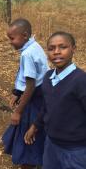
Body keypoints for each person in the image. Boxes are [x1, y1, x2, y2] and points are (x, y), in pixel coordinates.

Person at [25, 31, 86, 169]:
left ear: (73, 49)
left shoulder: (81, 81)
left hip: (76, 150)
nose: (56, 52)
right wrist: (35, 126)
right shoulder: (48, 78)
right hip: (51, 144)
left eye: (62, 47)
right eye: (51, 48)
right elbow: (46, 106)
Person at [2, 18, 49, 169]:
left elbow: (30, 86)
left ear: (25, 35)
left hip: (34, 98)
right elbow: (27, 77)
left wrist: (18, 111)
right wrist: (17, 92)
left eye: (12, 38)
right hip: (42, 94)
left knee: (28, 136)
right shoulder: (35, 45)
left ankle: (28, 163)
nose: (10, 42)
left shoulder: (27, 54)